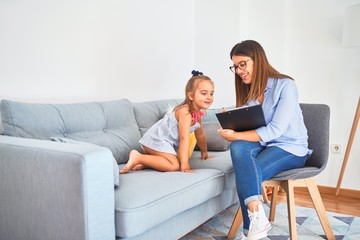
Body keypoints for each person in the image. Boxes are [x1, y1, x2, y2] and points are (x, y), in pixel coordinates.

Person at [218, 40, 311, 240]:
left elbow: (275, 130)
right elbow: (253, 126)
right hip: (265, 145)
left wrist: (237, 134)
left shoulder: (286, 85)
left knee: (247, 171)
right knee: (238, 147)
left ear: (257, 60)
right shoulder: (248, 90)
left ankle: (251, 230)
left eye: (243, 64)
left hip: (291, 148)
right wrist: (233, 120)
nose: (238, 71)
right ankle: (257, 223)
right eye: (235, 66)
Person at [120, 70, 215, 174]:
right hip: (156, 140)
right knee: (174, 166)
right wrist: (185, 165)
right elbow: (184, 138)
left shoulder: (198, 114)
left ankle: (146, 163)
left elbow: (200, 135)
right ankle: (138, 157)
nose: (209, 97)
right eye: (204, 93)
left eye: (211, 93)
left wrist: (204, 152)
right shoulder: (185, 112)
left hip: (165, 143)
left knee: (171, 162)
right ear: (191, 96)